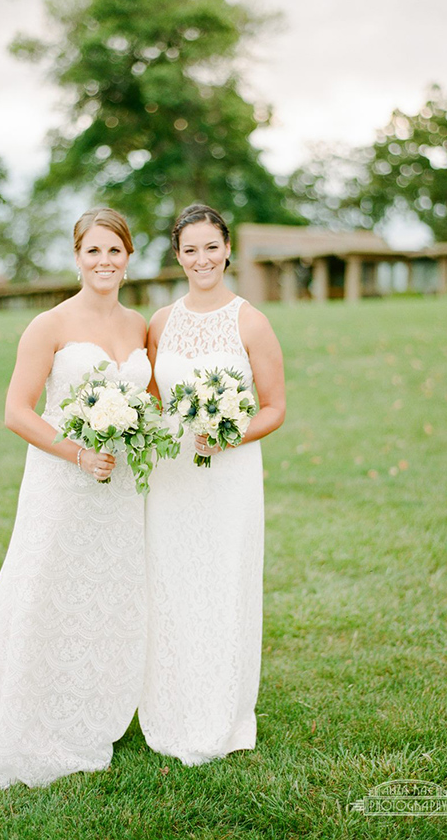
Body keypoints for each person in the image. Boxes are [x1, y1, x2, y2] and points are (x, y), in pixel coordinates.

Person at [0, 208, 151, 789]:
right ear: (77, 257)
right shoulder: (48, 325)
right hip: (64, 482)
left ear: (129, 259)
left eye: (115, 251)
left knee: (107, 593)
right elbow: (16, 411)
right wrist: (79, 452)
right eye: (93, 251)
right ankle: (29, 717)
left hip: (121, 487)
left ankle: (93, 709)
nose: (104, 262)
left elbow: (147, 405)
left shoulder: (139, 327)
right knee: (49, 590)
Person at [139, 203, 286, 765]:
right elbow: (154, 404)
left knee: (224, 585)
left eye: (211, 247)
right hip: (173, 478)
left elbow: (273, 408)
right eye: (190, 249)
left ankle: (222, 712)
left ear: (227, 250)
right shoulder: (160, 322)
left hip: (230, 477)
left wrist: (230, 436)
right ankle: (170, 705)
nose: (202, 258)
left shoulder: (250, 320)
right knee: (172, 585)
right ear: (178, 257)